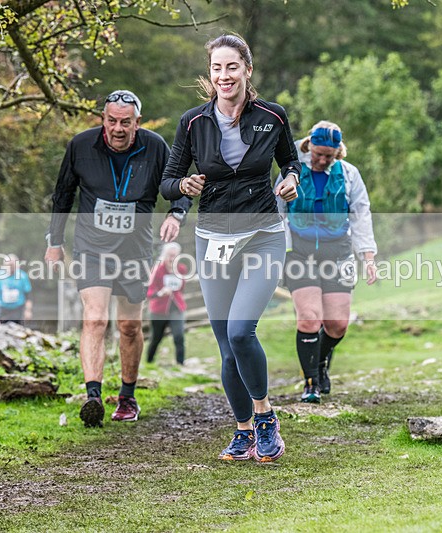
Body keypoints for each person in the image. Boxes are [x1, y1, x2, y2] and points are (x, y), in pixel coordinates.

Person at [160, 34, 300, 462]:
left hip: (263, 234)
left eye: (232, 67)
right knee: (225, 345)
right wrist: (183, 185)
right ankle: (242, 431)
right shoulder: (192, 122)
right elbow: (168, 181)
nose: (224, 75)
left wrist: (291, 179)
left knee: (241, 331)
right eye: (217, 68)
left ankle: (265, 418)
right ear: (210, 74)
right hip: (213, 239)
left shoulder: (272, 116)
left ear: (247, 70)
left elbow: (290, 160)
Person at [44, 89, 191, 428]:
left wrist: (176, 215)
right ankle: (93, 396)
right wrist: (55, 241)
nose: (118, 129)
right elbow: (63, 194)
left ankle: (127, 396)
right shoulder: (81, 146)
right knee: (95, 319)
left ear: (137, 122)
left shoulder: (155, 147)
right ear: (103, 120)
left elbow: (177, 186)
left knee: (129, 326)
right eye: (112, 121)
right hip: (92, 247)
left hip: (134, 249)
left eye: (126, 122)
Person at [276, 121, 378, 402]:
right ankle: (310, 383)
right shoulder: (292, 171)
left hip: (338, 252)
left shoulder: (349, 174)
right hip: (299, 252)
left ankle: (319, 364)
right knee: (310, 318)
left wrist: (368, 257)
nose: (322, 160)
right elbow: (277, 212)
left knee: (337, 324)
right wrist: (274, 254)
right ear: (308, 146)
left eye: (328, 156)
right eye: (318, 154)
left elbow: (361, 215)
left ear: (338, 153)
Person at [146, 242, 188, 365]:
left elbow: (181, 288)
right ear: (164, 255)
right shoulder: (157, 270)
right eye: (170, 255)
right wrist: (160, 293)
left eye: (175, 256)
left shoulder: (181, 269)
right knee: (156, 338)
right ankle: (149, 362)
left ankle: (180, 364)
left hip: (177, 308)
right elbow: (149, 291)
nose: (172, 258)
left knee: (179, 336)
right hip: (159, 310)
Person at [0, 254, 33, 326]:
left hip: (18, 308)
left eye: (12, 265)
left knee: (18, 328)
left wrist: (28, 311)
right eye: (8, 265)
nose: (10, 267)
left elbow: (28, 296)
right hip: (2, 308)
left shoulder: (23, 276)